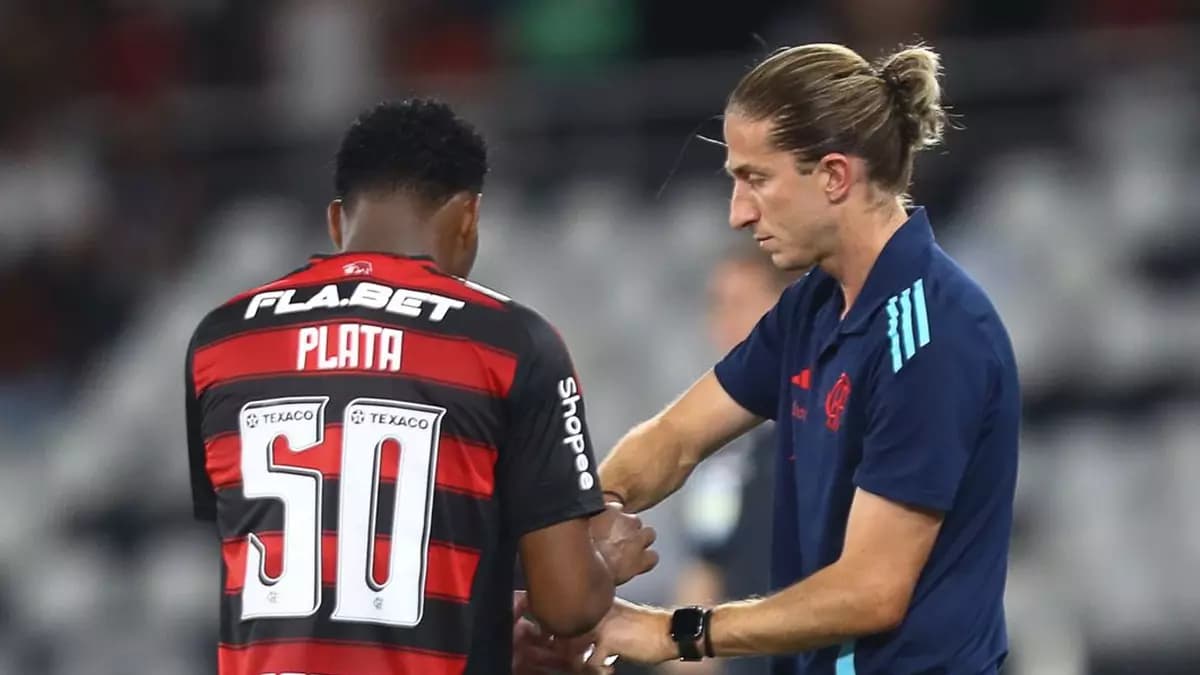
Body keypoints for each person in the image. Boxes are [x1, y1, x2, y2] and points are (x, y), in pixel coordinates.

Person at [577, 42, 1021, 674]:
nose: (738, 213)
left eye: (756, 179)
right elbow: (676, 438)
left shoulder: (933, 335)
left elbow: (870, 591)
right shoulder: (813, 306)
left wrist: (673, 631)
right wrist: (593, 515)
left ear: (835, 176)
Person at [184, 98, 657, 675]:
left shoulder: (222, 338)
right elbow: (568, 605)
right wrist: (603, 560)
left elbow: (269, 546)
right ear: (469, 216)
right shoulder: (510, 342)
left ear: (336, 221)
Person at [666, 247, 795, 675]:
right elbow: (706, 567)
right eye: (718, 306)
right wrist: (683, 657)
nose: (725, 323)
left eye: (741, 304)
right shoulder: (723, 454)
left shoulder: (837, 431)